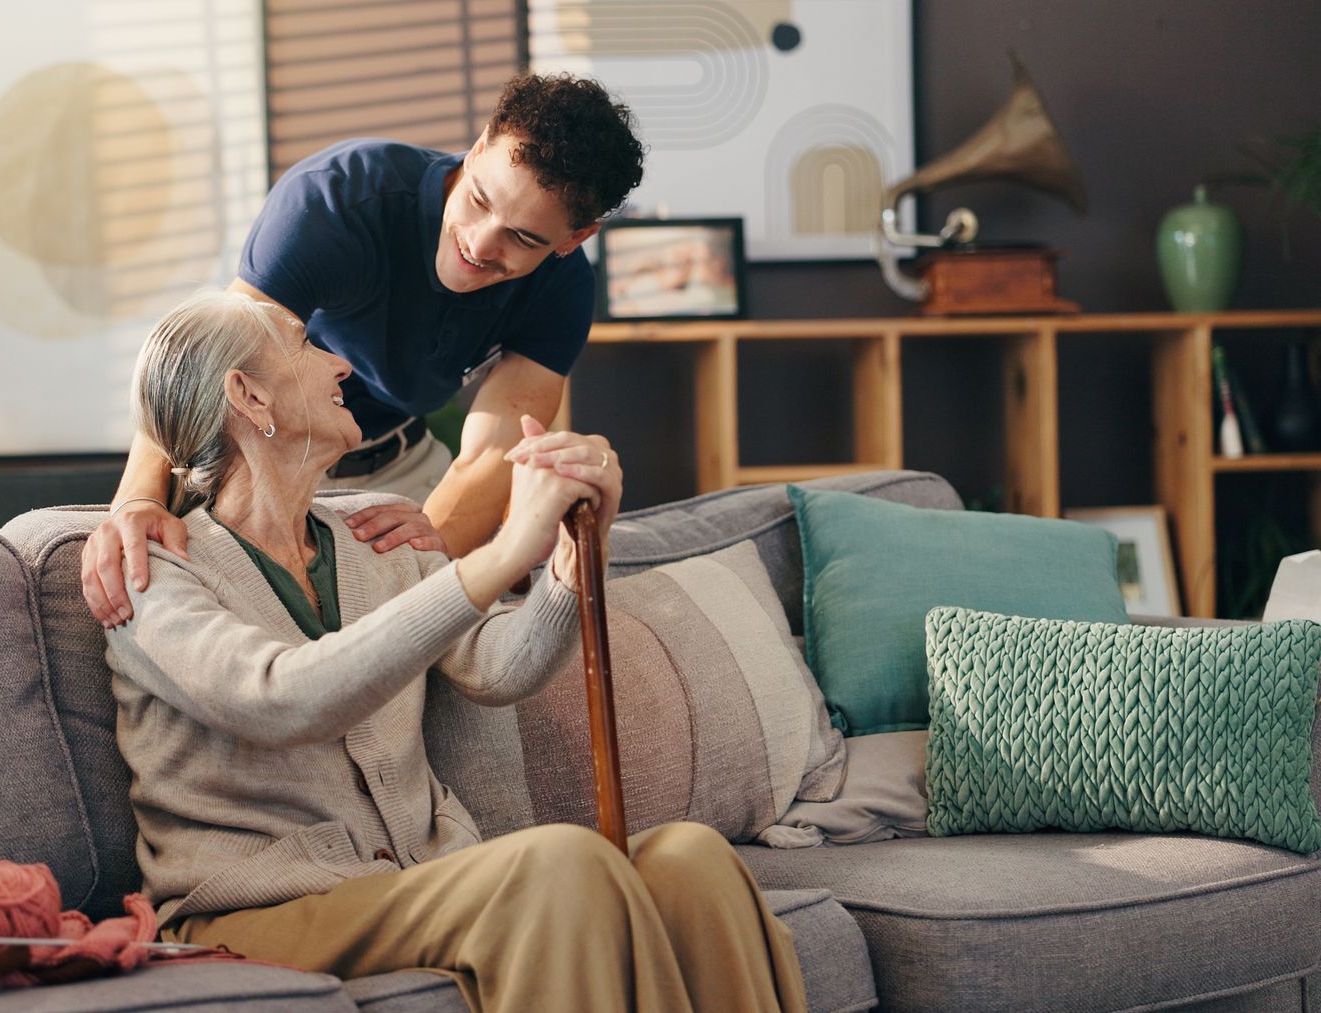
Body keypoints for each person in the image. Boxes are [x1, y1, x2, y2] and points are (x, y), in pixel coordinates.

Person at [103, 287, 806, 1013]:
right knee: (559, 862)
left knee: (692, 859)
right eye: (307, 346)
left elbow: (499, 667)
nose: (341, 365)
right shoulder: (156, 574)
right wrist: (502, 553)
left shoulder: (372, 537)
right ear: (248, 395)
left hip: (411, 881)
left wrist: (573, 555)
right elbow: (281, 697)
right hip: (255, 913)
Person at [83, 72, 647, 628]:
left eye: (522, 238)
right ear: (478, 150)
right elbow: (207, 364)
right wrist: (138, 500)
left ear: (575, 239)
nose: (479, 244)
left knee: (438, 629)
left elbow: (491, 452)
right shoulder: (336, 200)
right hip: (265, 463)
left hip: (403, 468)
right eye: (479, 200)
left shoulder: (563, 289)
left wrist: (426, 553)